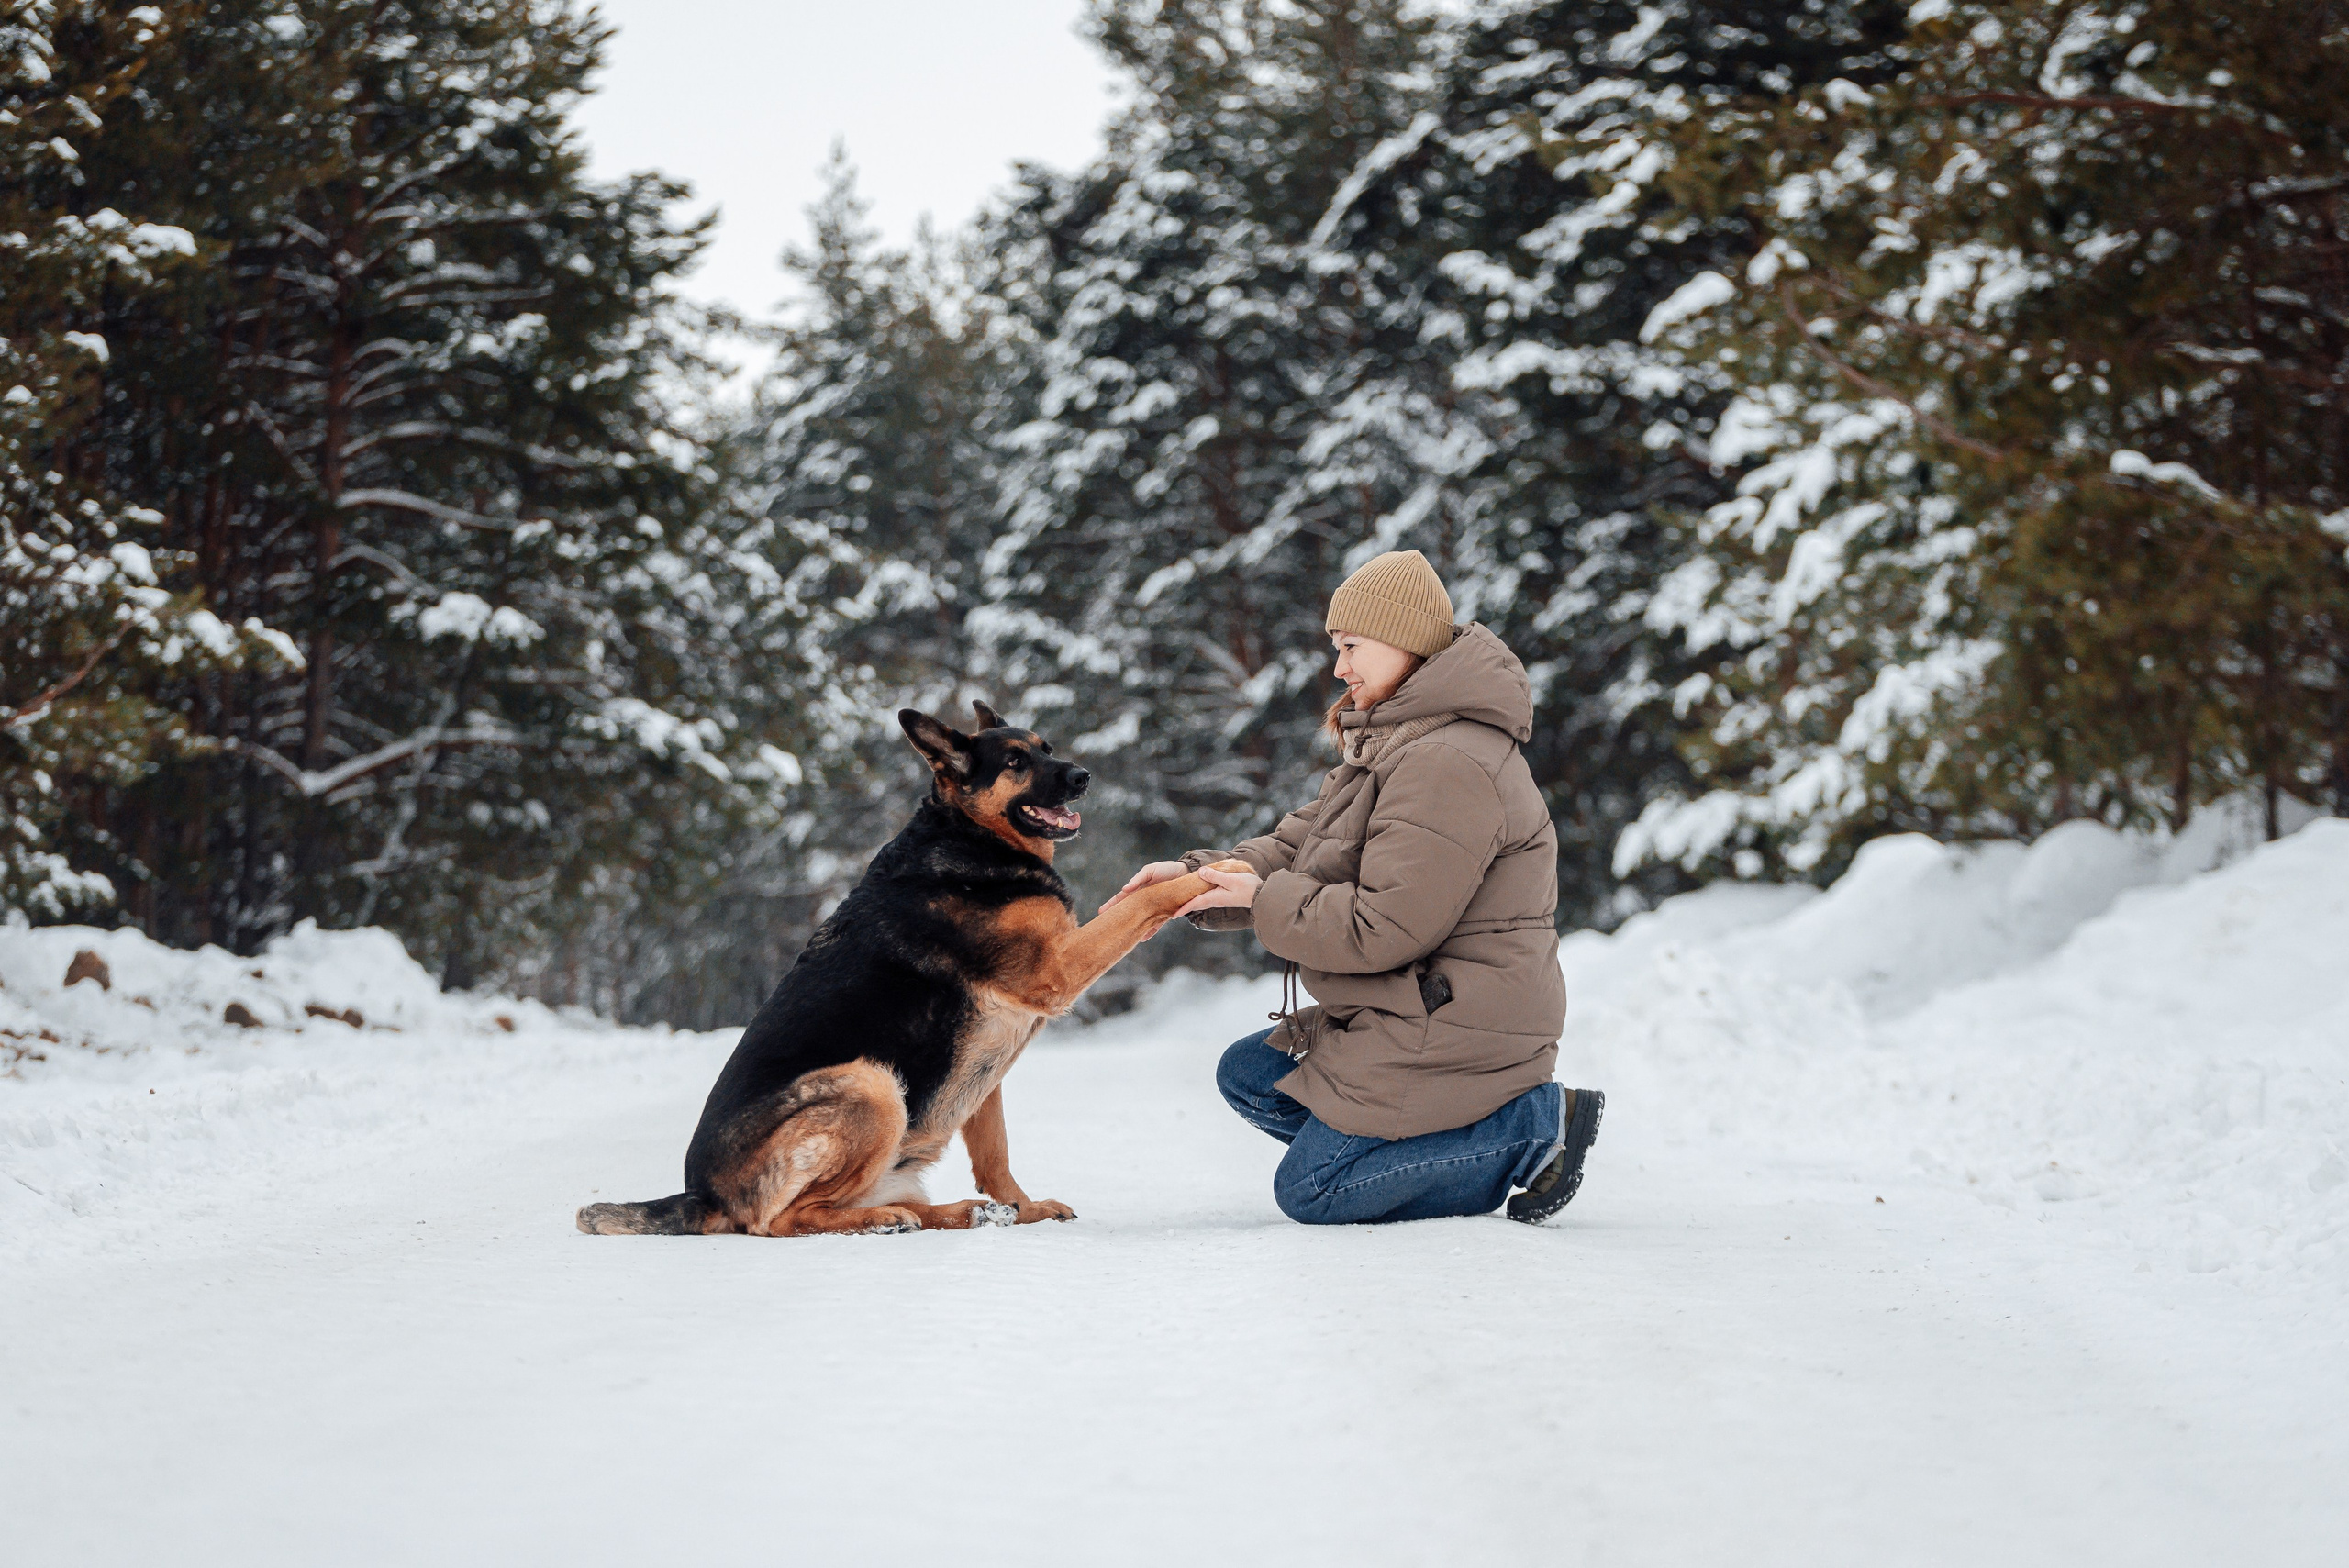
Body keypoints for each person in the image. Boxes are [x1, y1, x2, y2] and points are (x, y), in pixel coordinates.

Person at [1108, 550, 1604, 1225]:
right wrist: (1195, 879)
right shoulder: (1398, 739)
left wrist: (1262, 901)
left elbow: (1383, 927)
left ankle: (1526, 1130)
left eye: (1350, 646)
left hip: (1457, 1024)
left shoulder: (1447, 761)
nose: (1339, 667)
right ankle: (1407, 1148)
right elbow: (1301, 846)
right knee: (1251, 1074)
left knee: (1314, 1191)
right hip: (1409, 1007)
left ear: (1405, 641)